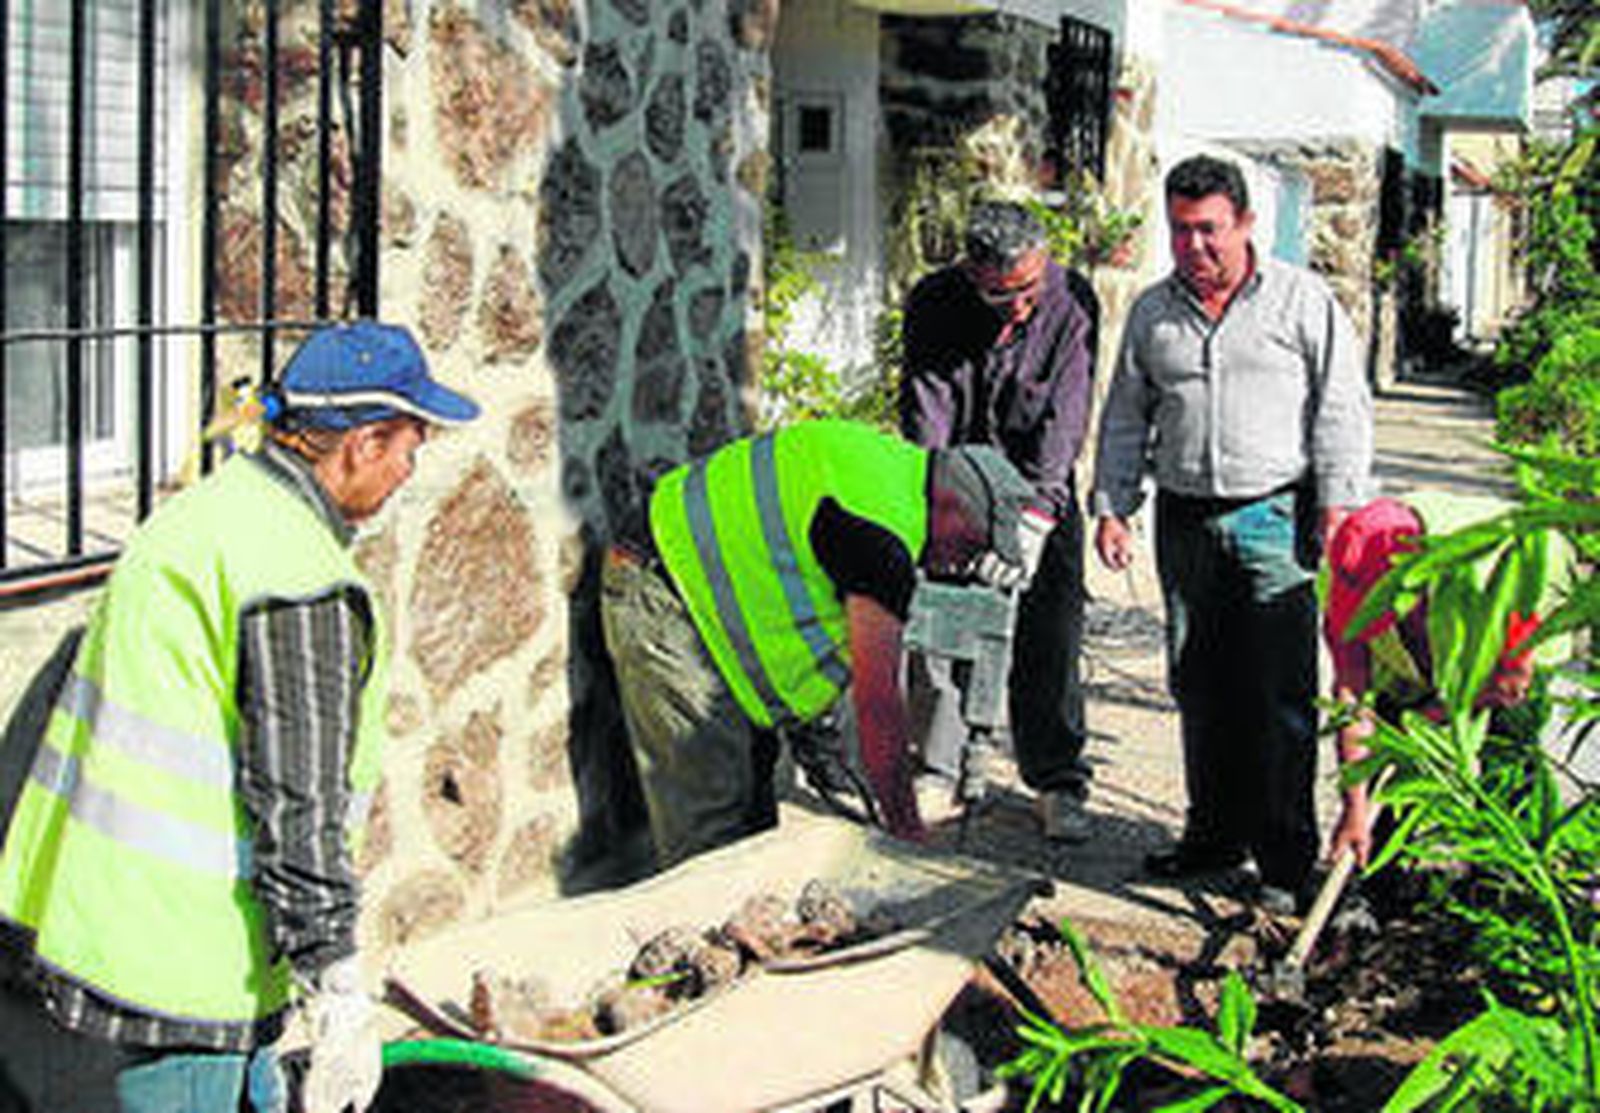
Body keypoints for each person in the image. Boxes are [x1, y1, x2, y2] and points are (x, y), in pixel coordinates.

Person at [0, 321, 479, 1113]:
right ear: (359, 444)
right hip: (188, 968)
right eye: (407, 445)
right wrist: (337, 987)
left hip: (102, 926)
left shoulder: (210, 512)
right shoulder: (294, 578)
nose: (408, 471)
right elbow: (301, 803)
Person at [1091, 154, 1373, 912]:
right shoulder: (1153, 312)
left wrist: (1338, 505)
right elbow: (1126, 414)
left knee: (1281, 693)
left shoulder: (1301, 302)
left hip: (1275, 516)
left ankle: (1283, 861)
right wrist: (1113, 504)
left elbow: (1342, 407)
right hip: (1185, 521)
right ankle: (1212, 837)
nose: (1194, 247)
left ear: (1246, 223)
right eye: (1180, 231)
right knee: (1200, 683)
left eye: (1209, 229)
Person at [599, 419, 1040, 870]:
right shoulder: (883, 541)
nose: (960, 565)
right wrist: (907, 836)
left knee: (751, 825)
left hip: (692, 586)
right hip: (664, 590)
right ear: (952, 508)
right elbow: (878, 712)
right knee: (712, 835)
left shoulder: (886, 462)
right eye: (970, 548)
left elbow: (795, 565)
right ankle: (685, 934)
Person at [900, 198, 1097, 843]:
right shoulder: (934, 301)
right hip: (958, 484)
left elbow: (1065, 418)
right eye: (1000, 296)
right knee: (940, 625)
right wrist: (942, 508)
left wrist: (1037, 517)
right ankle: (937, 767)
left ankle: (1057, 779)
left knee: (1051, 632)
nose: (1018, 308)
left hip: (1041, 489)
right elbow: (927, 412)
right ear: (970, 273)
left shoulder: (1071, 303)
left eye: (1028, 289)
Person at [1323, 492, 1567, 868]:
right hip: (1411, 669)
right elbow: (1351, 691)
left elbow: (1508, 686)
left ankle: (1507, 881)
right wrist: (1354, 806)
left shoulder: (1504, 567)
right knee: (1385, 755)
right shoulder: (1349, 565)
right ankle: (1373, 876)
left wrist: (1423, 724)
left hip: (1499, 659)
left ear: (1411, 580)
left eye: (1379, 605)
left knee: (1508, 759)